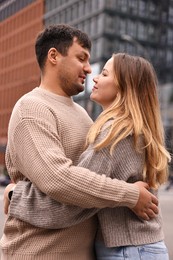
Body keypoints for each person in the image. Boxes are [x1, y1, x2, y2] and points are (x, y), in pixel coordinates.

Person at [0, 24, 159, 260]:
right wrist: (129, 195)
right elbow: (58, 180)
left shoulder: (84, 115)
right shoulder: (32, 108)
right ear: (53, 56)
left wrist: (16, 195)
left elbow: (90, 186)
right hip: (38, 253)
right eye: (81, 58)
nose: (88, 69)